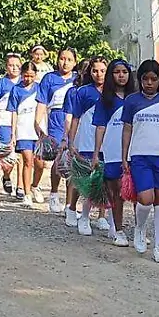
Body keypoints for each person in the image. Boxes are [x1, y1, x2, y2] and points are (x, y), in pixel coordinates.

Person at [120, 58, 159, 262]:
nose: (149, 83)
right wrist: (124, 155)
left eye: (153, 79)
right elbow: (127, 129)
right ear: (139, 80)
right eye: (145, 79)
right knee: (145, 198)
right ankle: (139, 228)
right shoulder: (131, 101)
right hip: (139, 156)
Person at [91, 59, 134, 247]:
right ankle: (118, 229)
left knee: (136, 192)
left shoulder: (136, 98)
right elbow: (100, 127)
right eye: (117, 72)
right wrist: (96, 153)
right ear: (111, 75)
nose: (121, 75)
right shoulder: (105, 100)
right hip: (112, 151)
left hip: (134, 151)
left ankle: (139, 230)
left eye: (124, 71)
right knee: (116, 192)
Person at [65, 57, 109, 234]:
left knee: (104, 179)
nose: (99, 74)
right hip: (85, 139)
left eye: (102, 71)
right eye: (95, 71)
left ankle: (101, 215)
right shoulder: (82, 92)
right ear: (90, 72)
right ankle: (73, 208)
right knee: (82, 177)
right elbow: (75, 117)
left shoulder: (112, 93)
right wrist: (71, 141)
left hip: (106, 140)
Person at [40, 47, 78, 212]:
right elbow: (41, 102)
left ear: (75, 62)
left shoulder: (78, 79)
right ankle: (54, 193)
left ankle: (70, 203)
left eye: (69, 59)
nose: (65, 62)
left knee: (72, 159)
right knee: (59, 156)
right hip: (56, 118)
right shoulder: (49, 78)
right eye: (62, 58)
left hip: (75, 120)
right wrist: (38, 124)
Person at [6, 61, 45, 203]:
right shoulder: (16, 90)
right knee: (27, 160)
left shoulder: (40, 88)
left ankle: (35, 186)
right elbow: (14, 112)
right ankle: (27, 193)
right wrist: (13, 133)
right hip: (23, 129)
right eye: (26, 76)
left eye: (31, 76)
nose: (28, 79)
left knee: (40, 163)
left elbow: (44, 107)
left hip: (38, 129)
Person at [0, 52, 22, 195]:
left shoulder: (25, 81)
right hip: (5, 121)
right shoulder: (0, 83)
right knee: (7, 154)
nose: (14, 68)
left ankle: (21, 186)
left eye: (17, 65)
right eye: (11, 65)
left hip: (23, 122)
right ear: (6, 67)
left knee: (23, 154)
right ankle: (7, 175)